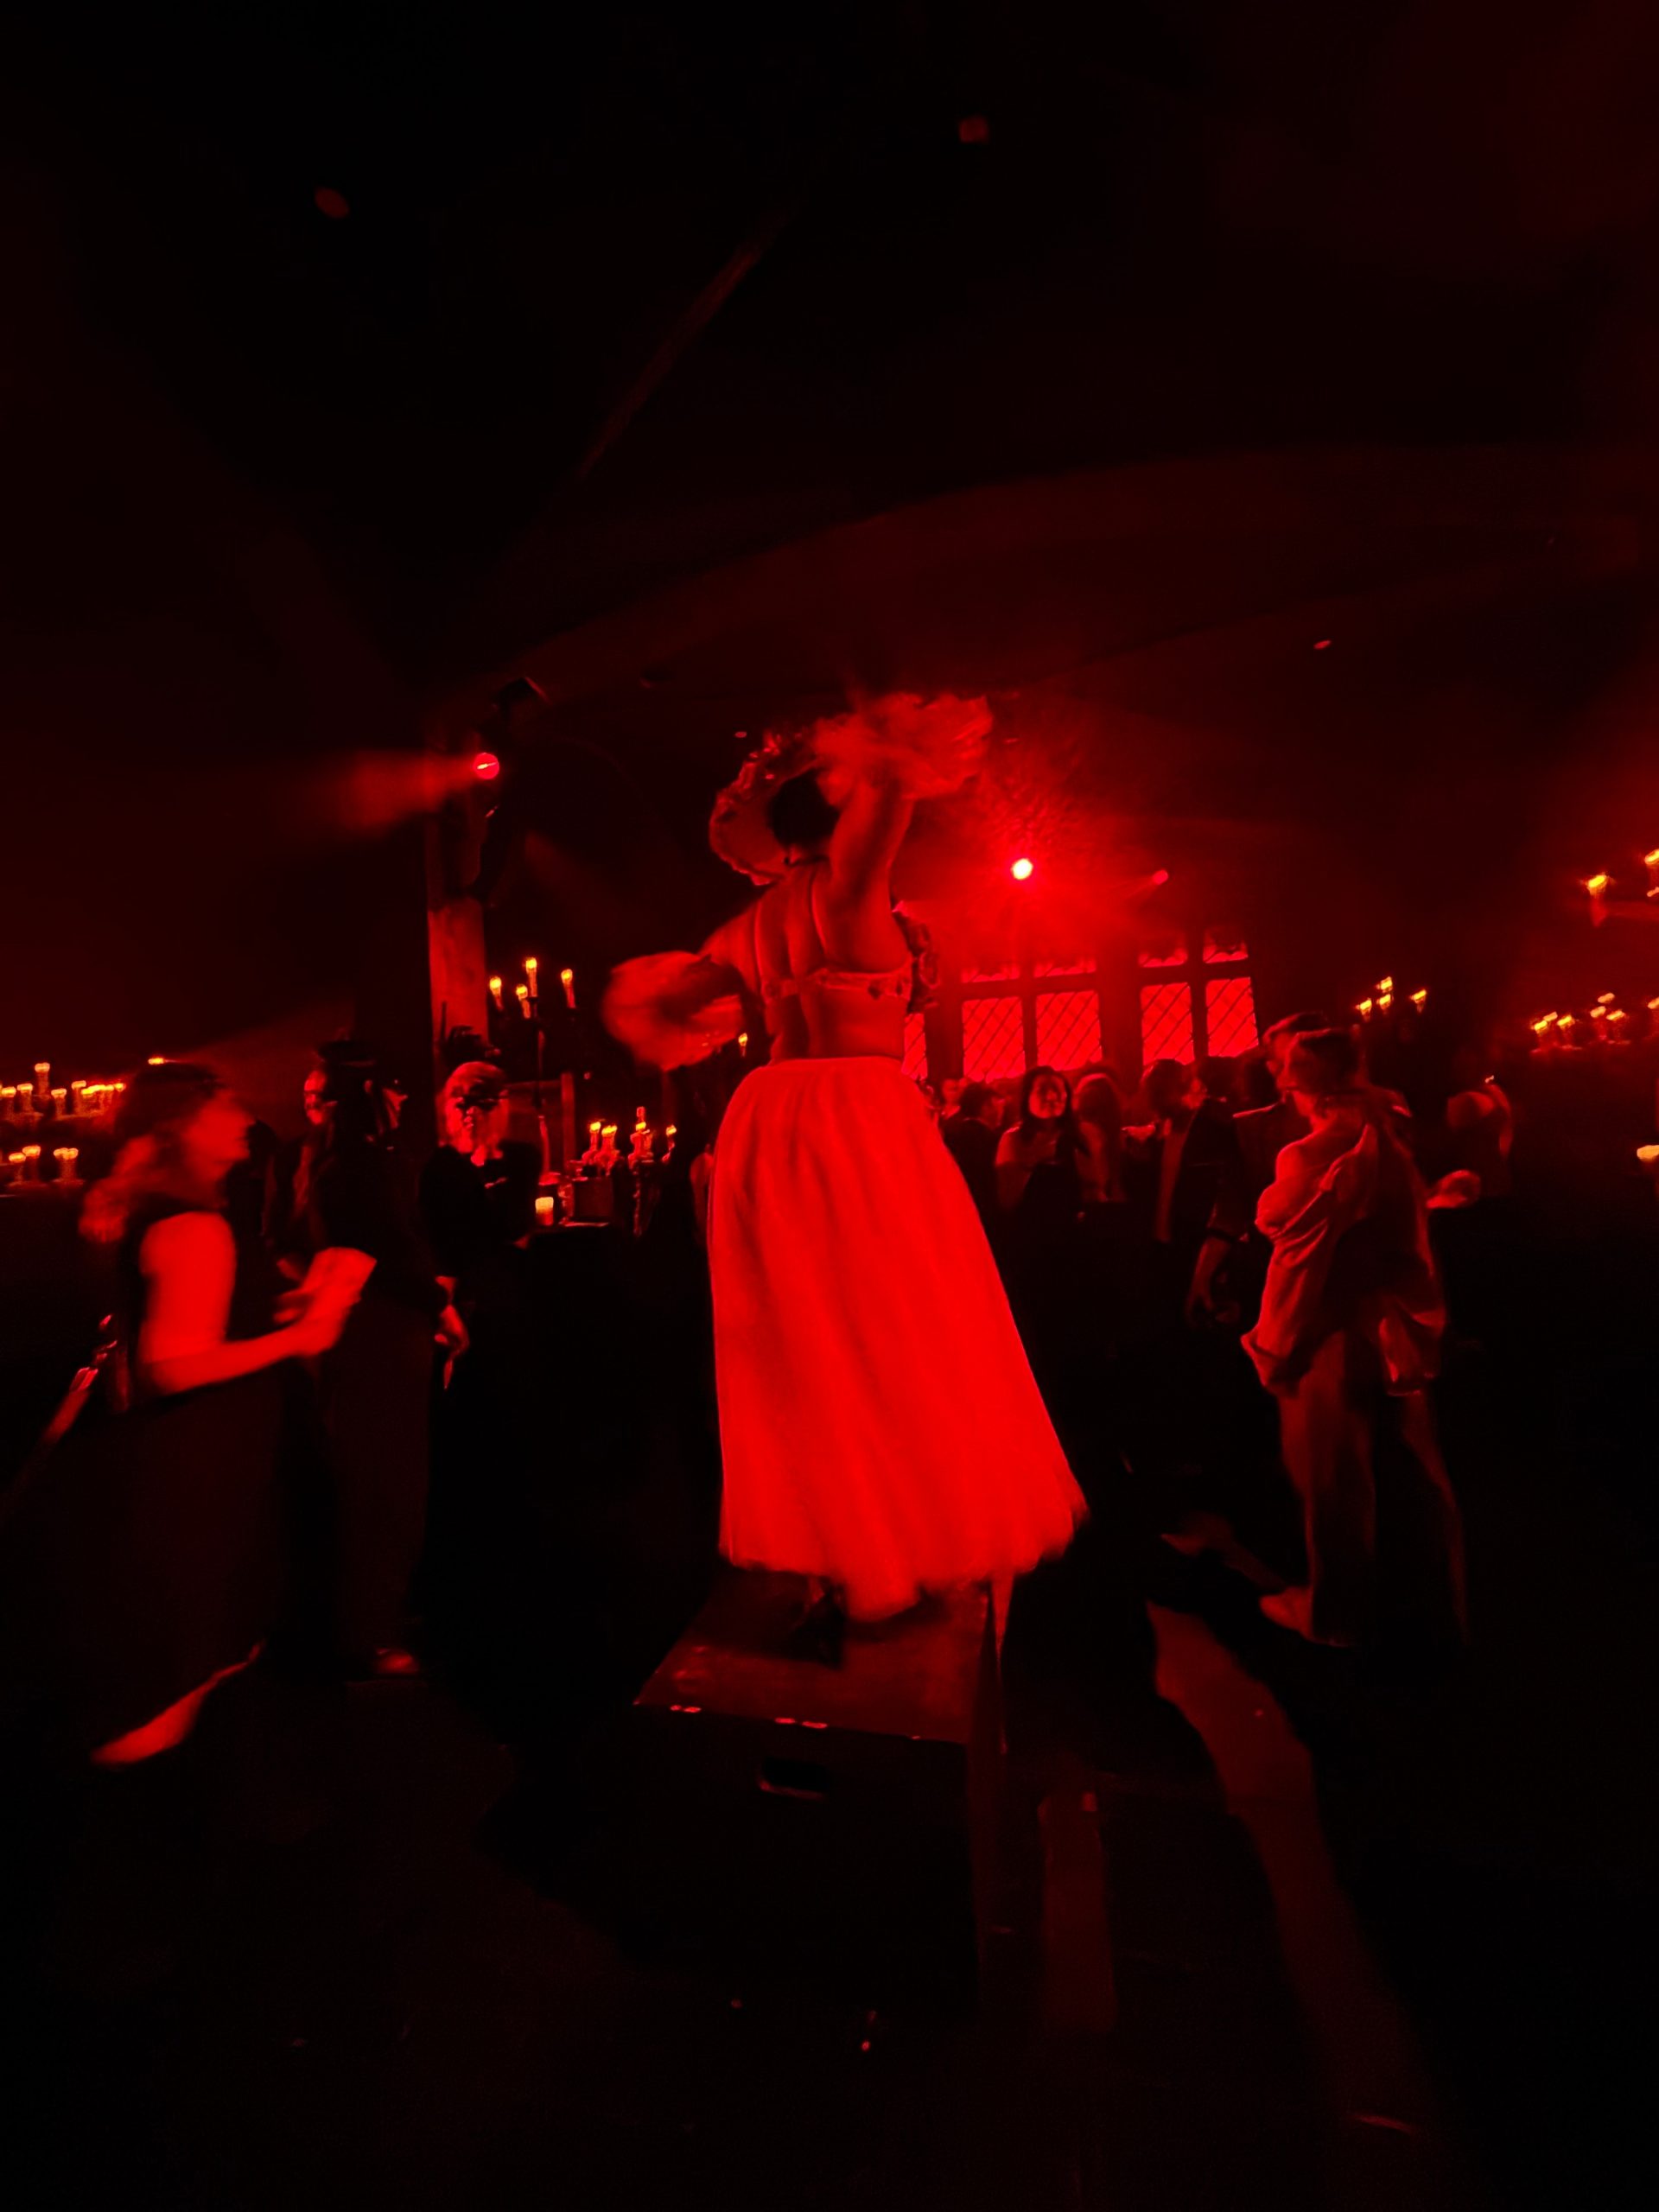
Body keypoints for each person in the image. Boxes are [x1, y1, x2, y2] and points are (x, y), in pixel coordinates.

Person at [602, 693, 1084, 1654]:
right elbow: (891, 798)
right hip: (855, 1113)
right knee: (895, 1326)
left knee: (805, 1343)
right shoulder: (851, 890)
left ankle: (834, 1546)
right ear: (833, 804)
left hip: (767, 1119)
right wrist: (889, 751)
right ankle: (892, 1540)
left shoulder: (744, 929)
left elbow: (667, 1011)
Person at [2, 1063, 356, 1764]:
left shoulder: (147, 1207)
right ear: (184, 1126)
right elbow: (171, 1364)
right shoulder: (192, 1224)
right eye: (225, 1106)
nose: (245, 1119)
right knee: (172, 1670)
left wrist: (287, 1304)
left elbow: (186, 1316)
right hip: (192, 1461)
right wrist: (303, 1337)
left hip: (175, 1459)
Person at [1244, 1031, 1465, 1648]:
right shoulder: (1389, 1138)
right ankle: (1438, 1608)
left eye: (1287, 1073)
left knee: (1332, 1479)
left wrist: (1277, 1341)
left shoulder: (1311, 1153)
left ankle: (1335, 1616)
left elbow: (1290, 1249)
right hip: (1394, 1329)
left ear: (1301, 1085)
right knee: (1414, 1474)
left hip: (1331, 1331)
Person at [290, 1043, 467, 1678]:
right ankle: (370, 1633)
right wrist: (440, 1306)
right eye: (395, 1089)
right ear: (371, 1094)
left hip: (354, 1330)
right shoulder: (366, 1165)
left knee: (365, 1477)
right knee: (386, 1483)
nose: (404, 1100)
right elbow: (391, 1250)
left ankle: (367, 1620)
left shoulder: (320, 1159)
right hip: (385, 1334)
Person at [420, 1061, 541, 1298]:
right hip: (462, 1287)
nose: (471, 1114)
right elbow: (441, 1243)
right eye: (462, 1105)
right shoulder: (439, 1167)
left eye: (482, 1104)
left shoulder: (522, 1158)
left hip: (511, 1282)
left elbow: (516, 1227)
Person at [941, 1078, 1002, 1224]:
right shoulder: (989, 1139)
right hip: (985, 1207)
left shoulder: (954, 1131)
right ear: (985, 1107)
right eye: (997, 1106)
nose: (1000, 1112)